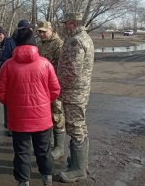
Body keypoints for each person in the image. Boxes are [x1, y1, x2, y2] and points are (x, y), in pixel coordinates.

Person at [0, 27, 60, 186]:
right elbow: (55, 89)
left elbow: (0, 90)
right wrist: (44, 102)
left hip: (18, 119)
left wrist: (11, 103)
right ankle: (47, 178)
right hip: (42, 118)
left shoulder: (8, 65)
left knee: (22, 152)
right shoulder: (45, 64)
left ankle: (23, 181)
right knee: (43, 150)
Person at [57, 13, 94, 183]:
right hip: (78, 91)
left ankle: (79, 169)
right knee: (79, 126)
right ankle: (78, 162)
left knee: (75, 127)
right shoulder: (83, 37)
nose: (64, 26)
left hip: (74, 92)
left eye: (66, 23)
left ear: (73, 23)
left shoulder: (76, 41)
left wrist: (56, 84)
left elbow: (72, 70)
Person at [36, 21, 65, 160]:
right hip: (41, 86)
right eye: (39, 32)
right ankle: (48, 142)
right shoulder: (40, 44)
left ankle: (59, 147)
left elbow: (61, 67)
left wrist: (55, 85)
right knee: (45, 114)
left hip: (53, 85)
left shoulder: (58, 44)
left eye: (44, 32)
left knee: (56, 113)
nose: (41, 34)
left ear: (51, 30)